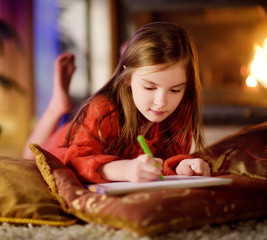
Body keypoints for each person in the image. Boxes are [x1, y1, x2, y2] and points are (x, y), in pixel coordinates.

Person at [23, 22, 211, 184]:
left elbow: (164, 163)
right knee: (28, 162)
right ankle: (57, 106)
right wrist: (125, 170)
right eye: (150, 87)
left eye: (175, 90)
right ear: (127, 77)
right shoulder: (103, 109)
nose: (162, 102)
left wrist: (182, 167)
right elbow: (77, 161)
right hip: (62, 148)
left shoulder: (179, 111)